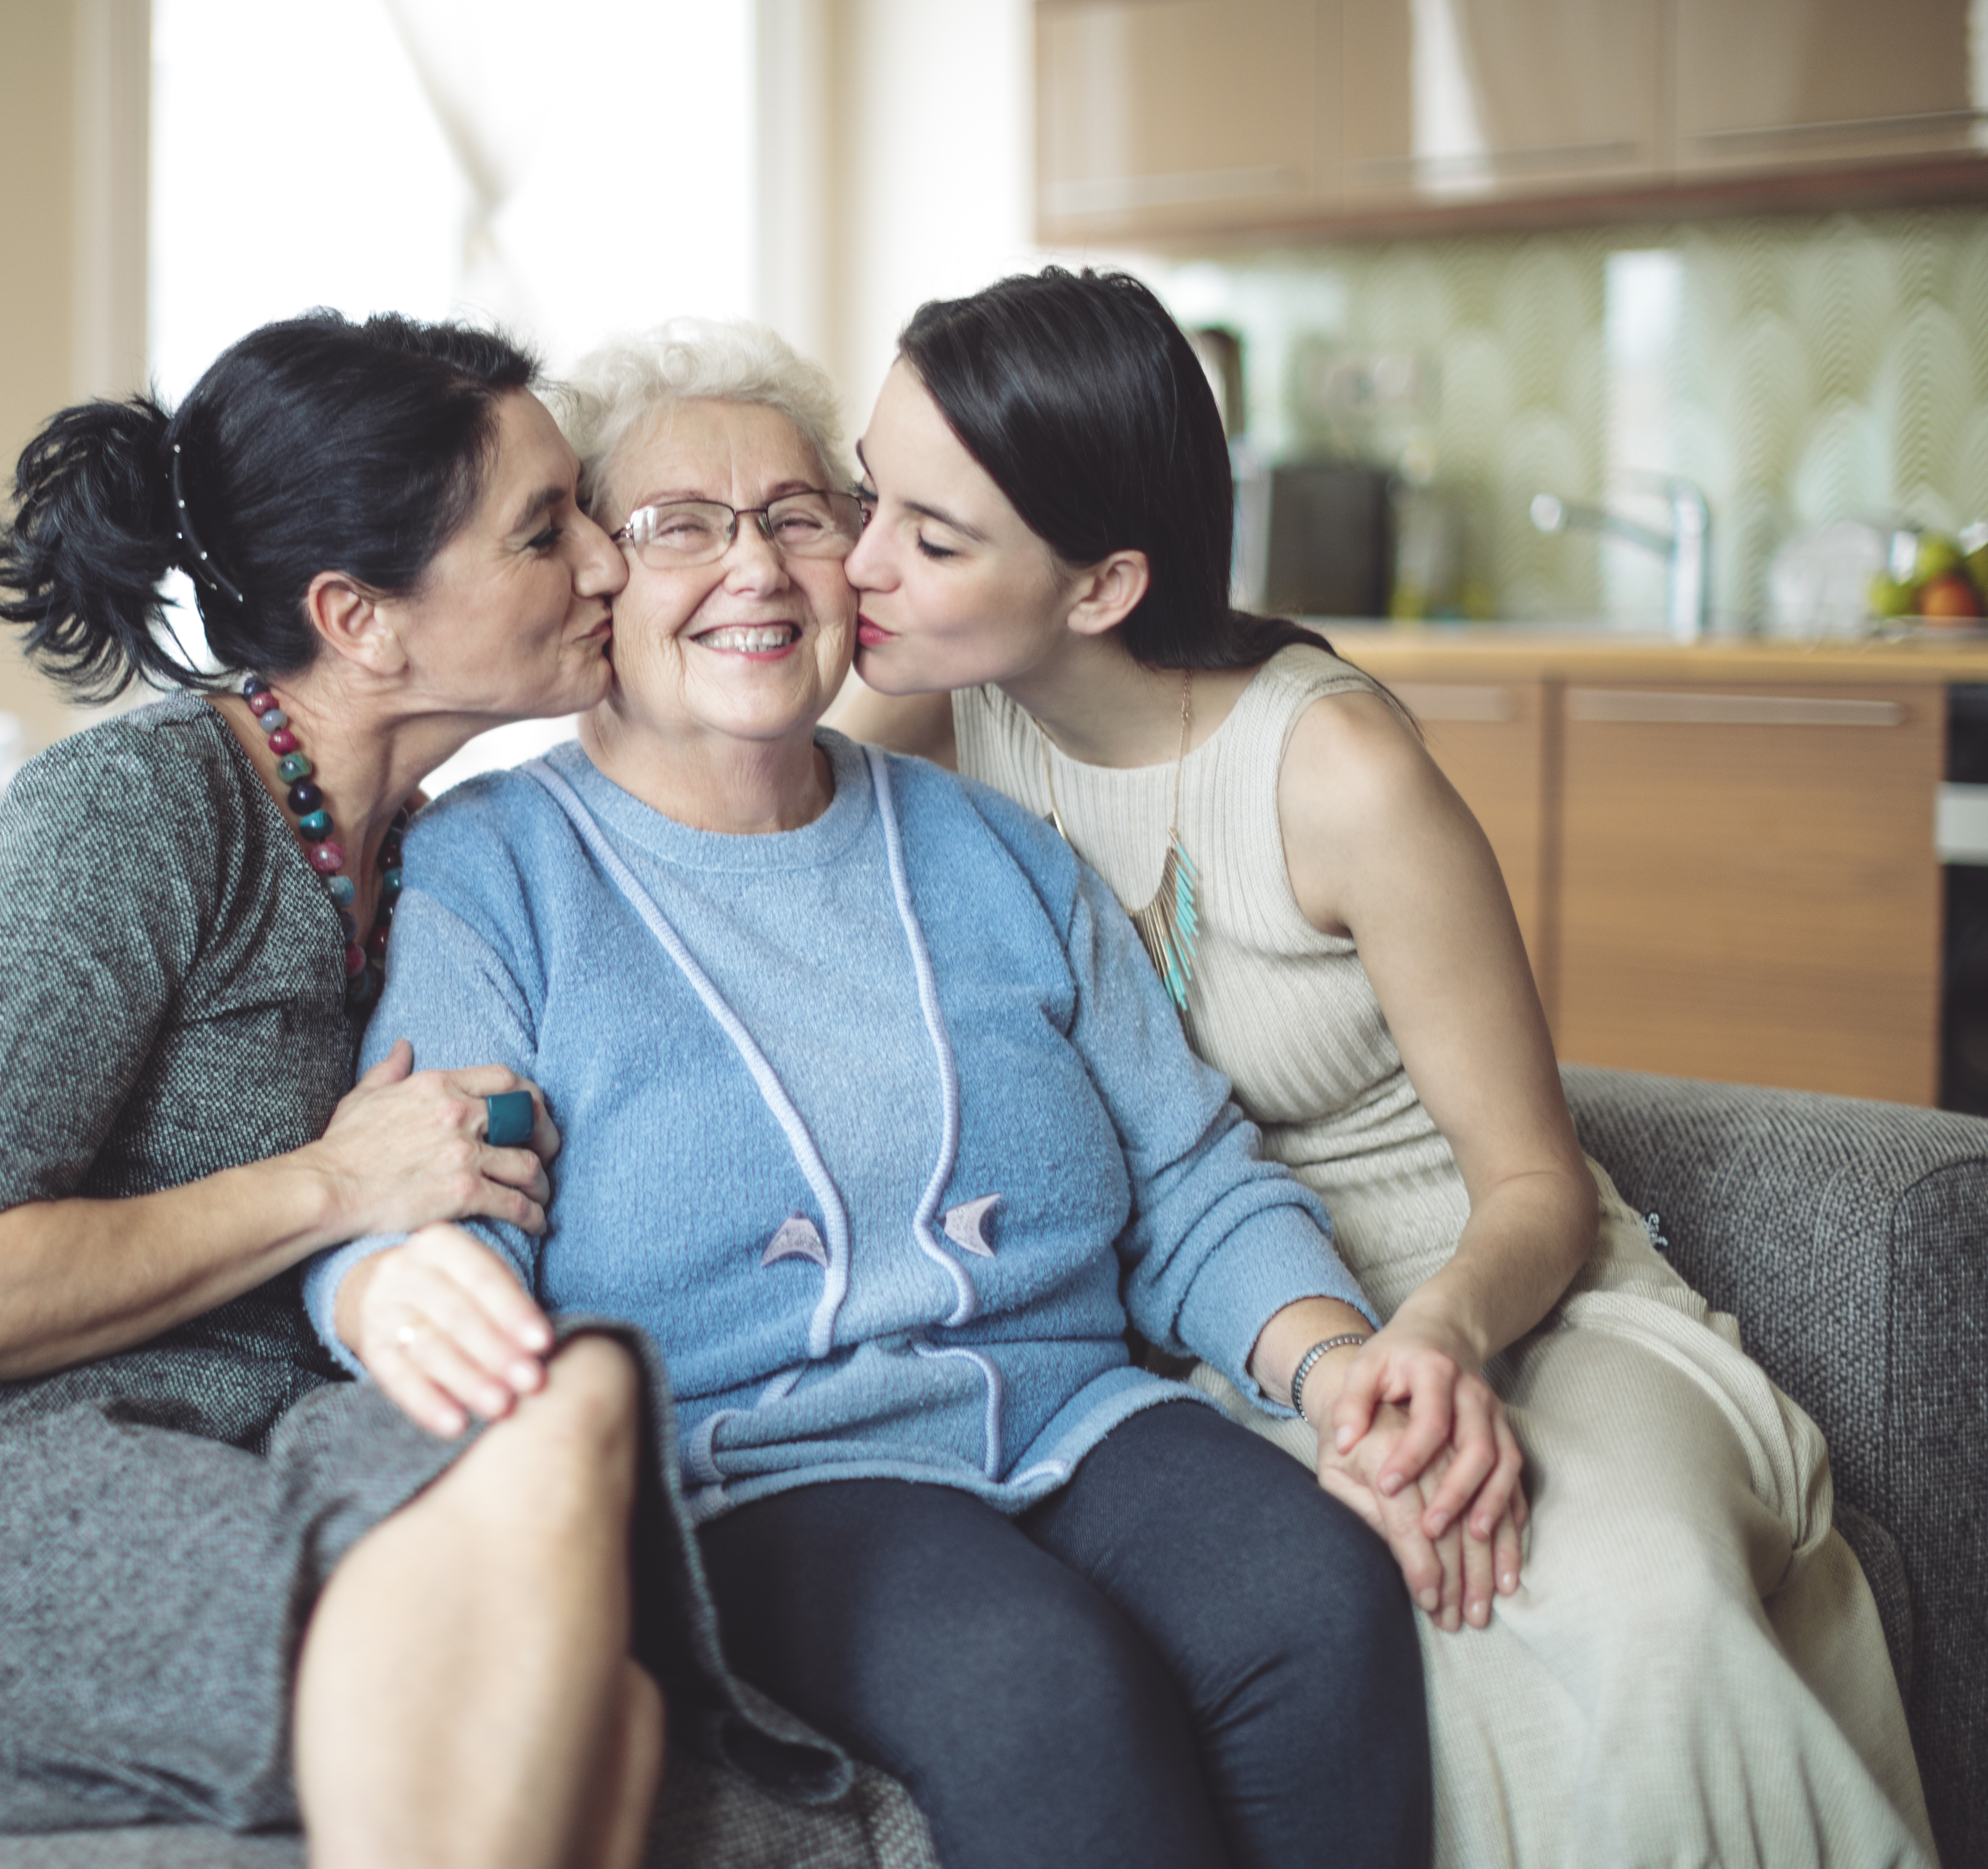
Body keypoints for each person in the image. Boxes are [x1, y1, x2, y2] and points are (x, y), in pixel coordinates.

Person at [826, 264, 1939, 1868]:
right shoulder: (939, 718)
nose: (865, 565)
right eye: (874, 495)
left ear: (1102, 585)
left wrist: (1439, 1343)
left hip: (1500, 1298)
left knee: (1621, 1595)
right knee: (1365, 1609)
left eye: (931, 541)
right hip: (1232, 1334)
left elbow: (1538, 1184)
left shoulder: (1337, 772)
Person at [302, 319, 1435, 1869]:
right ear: (598, 581)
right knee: (1043, 1683)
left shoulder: (993, 849)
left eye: (796, 517)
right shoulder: (497, 873)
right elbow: (430, 1191)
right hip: (760, 1467)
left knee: (1320, 1596)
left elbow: (1191, 1181)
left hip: (1075, 1405)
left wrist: (1337, 1374)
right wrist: (394, 1289)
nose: (755, 568)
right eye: (680, 528)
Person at [0, 310, 706, 1869]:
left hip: (226, 1439)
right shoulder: (133, 814)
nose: (604, 563)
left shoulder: (446, 850)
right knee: (589, 1716)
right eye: (543, 532)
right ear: (361, 620)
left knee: (587, 1417)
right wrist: (340, 1185)